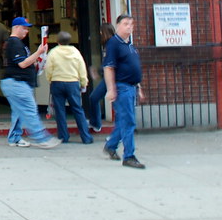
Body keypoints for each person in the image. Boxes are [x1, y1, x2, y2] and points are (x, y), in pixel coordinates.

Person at [0, 17, 60, 149]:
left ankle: (14, 138)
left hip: (15, 83)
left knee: (19, 111)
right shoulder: (14, 43)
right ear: (16, 28)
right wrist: (39, 52)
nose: (26, 31)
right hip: (17, 83)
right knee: (30, 110)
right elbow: (22, 63)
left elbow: (25, 62)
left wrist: (38, 60)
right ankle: (41, 138)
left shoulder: (17, 43)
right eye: (24, 28)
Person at [103, 14, 146, 169]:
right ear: (118, 25)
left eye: (131, 24)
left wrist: (139, 87)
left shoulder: (129, 45)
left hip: (132, 86)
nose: (129, 26)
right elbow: (108, 67)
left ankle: (111, 145)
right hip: (122, 87)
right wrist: (111, 89)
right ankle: (129, 155)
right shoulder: (114, 43)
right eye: (126, 24)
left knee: (123, 121)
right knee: (128, 121)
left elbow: (134, 67)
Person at [44, 31, 93, 144]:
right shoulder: (76, 52)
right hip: (72, 83)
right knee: (77, 109)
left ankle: (63, 136)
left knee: (60, 111)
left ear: (57, 41)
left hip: (57, 82)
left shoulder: (53, 52)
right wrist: (83, 83)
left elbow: (49, 68)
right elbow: (82, 68)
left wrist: (50, 79)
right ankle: (86, 137)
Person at [87, 22, 116, 132]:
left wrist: (98, 71)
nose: (99, 34)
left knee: (94, 97)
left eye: (101, 32)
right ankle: (96, 123)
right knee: (94, 98)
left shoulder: (110, 45)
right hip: (110, 77)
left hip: (112, 78)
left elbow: (109, 64)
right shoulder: (110, 44)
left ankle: (96, 123)